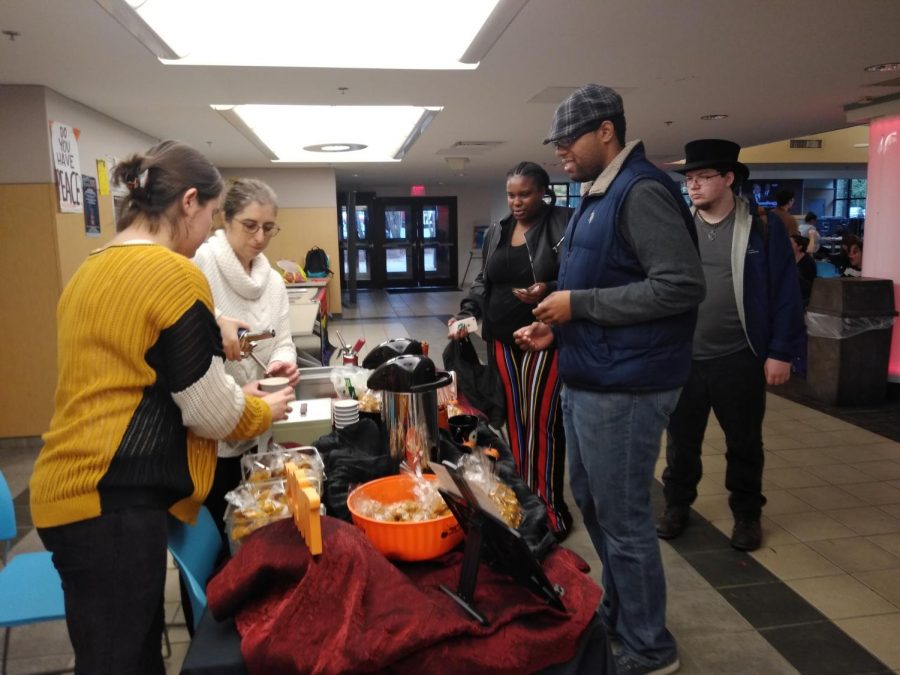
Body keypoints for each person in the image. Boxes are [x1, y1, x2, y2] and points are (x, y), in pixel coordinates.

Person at [29, 141, 295, 674]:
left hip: (71, 489)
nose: (209, 233)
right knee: (121, 662)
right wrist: (263, 409)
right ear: (189, 202)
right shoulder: (175, 273)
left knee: (124, 653)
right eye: (214, 216)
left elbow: (137, 362)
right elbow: (213, 415)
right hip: (112, 502)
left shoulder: (95, 265)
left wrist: (213, 340)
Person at [514, 84, 705, 675]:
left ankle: (650, 649)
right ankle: (622, 618)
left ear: (606, 131)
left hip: (626, 389)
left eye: (567, 140)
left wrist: (581, 306)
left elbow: (679, 286)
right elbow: (606, 284)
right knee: (595, 508)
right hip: (591, 375)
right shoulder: (599, 194)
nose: (559, 153)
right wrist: (561, 327)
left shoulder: (641, 190)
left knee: (624, 524)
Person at [657, 139, 805, 553]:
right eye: (689, 179)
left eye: (703, 177)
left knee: (743, 442)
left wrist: (781, 351)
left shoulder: (762, 225)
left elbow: (785, 293)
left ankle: (746, 514)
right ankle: (677, 505)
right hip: (684, 356)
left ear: (727, 178)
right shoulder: (678, 225)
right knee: (681, 441)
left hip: (740, 356)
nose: (694, 186)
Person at [448, 161, 572, 539]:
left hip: (543, 337)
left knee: (543, 421)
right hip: (501, 338)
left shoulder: (564, 224)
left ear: (543, 192)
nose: (517, 202)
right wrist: (467, 312)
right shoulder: (500, 230)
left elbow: (579, 276)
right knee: (515, 419)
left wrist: (547, 285)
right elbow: (484, 279)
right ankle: (527, 497)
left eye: (525, 194)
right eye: (511, 195)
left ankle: (553, 508)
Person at [193, 178, 300, 540]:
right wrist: (217, 325)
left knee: (255, 523)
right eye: (250, 226)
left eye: (268, 228)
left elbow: (282, 340)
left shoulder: (272, 281)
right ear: (225, 219)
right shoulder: (201, 263)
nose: (260, 237)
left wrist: (282, 363)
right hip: (214, 427)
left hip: (260, 422)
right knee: (219, 529)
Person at [790, 234, 817, 305]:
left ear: (799, 247)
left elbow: (812, 282)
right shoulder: (787, 260)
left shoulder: (808, 261)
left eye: (790, 243)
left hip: (803, 297)